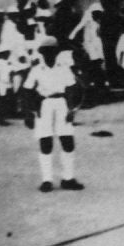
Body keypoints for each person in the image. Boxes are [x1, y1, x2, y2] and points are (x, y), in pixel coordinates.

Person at [21, 36, 84, 192]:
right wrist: (29, 112)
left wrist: (71, 109)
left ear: (57, 52)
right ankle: (47, 180)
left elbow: (73, 88)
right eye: (46, 51)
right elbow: (27, 90)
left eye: (53, 51)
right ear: (42, 53)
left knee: (67, 140)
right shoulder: (36, 69)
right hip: (44, 105)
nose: (50, 54)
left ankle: (68, 178)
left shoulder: (63, 67)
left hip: (62, 103)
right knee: (45, 142)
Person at [0, 49, 14, 126]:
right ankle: (0, 120)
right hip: (1, 84)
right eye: (6, 53)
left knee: (6, 102)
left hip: (8, 84)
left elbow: (11, 71)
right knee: (1, 101)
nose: (7, 55)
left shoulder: (9, 62)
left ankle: (3, 119)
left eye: (8, 53)